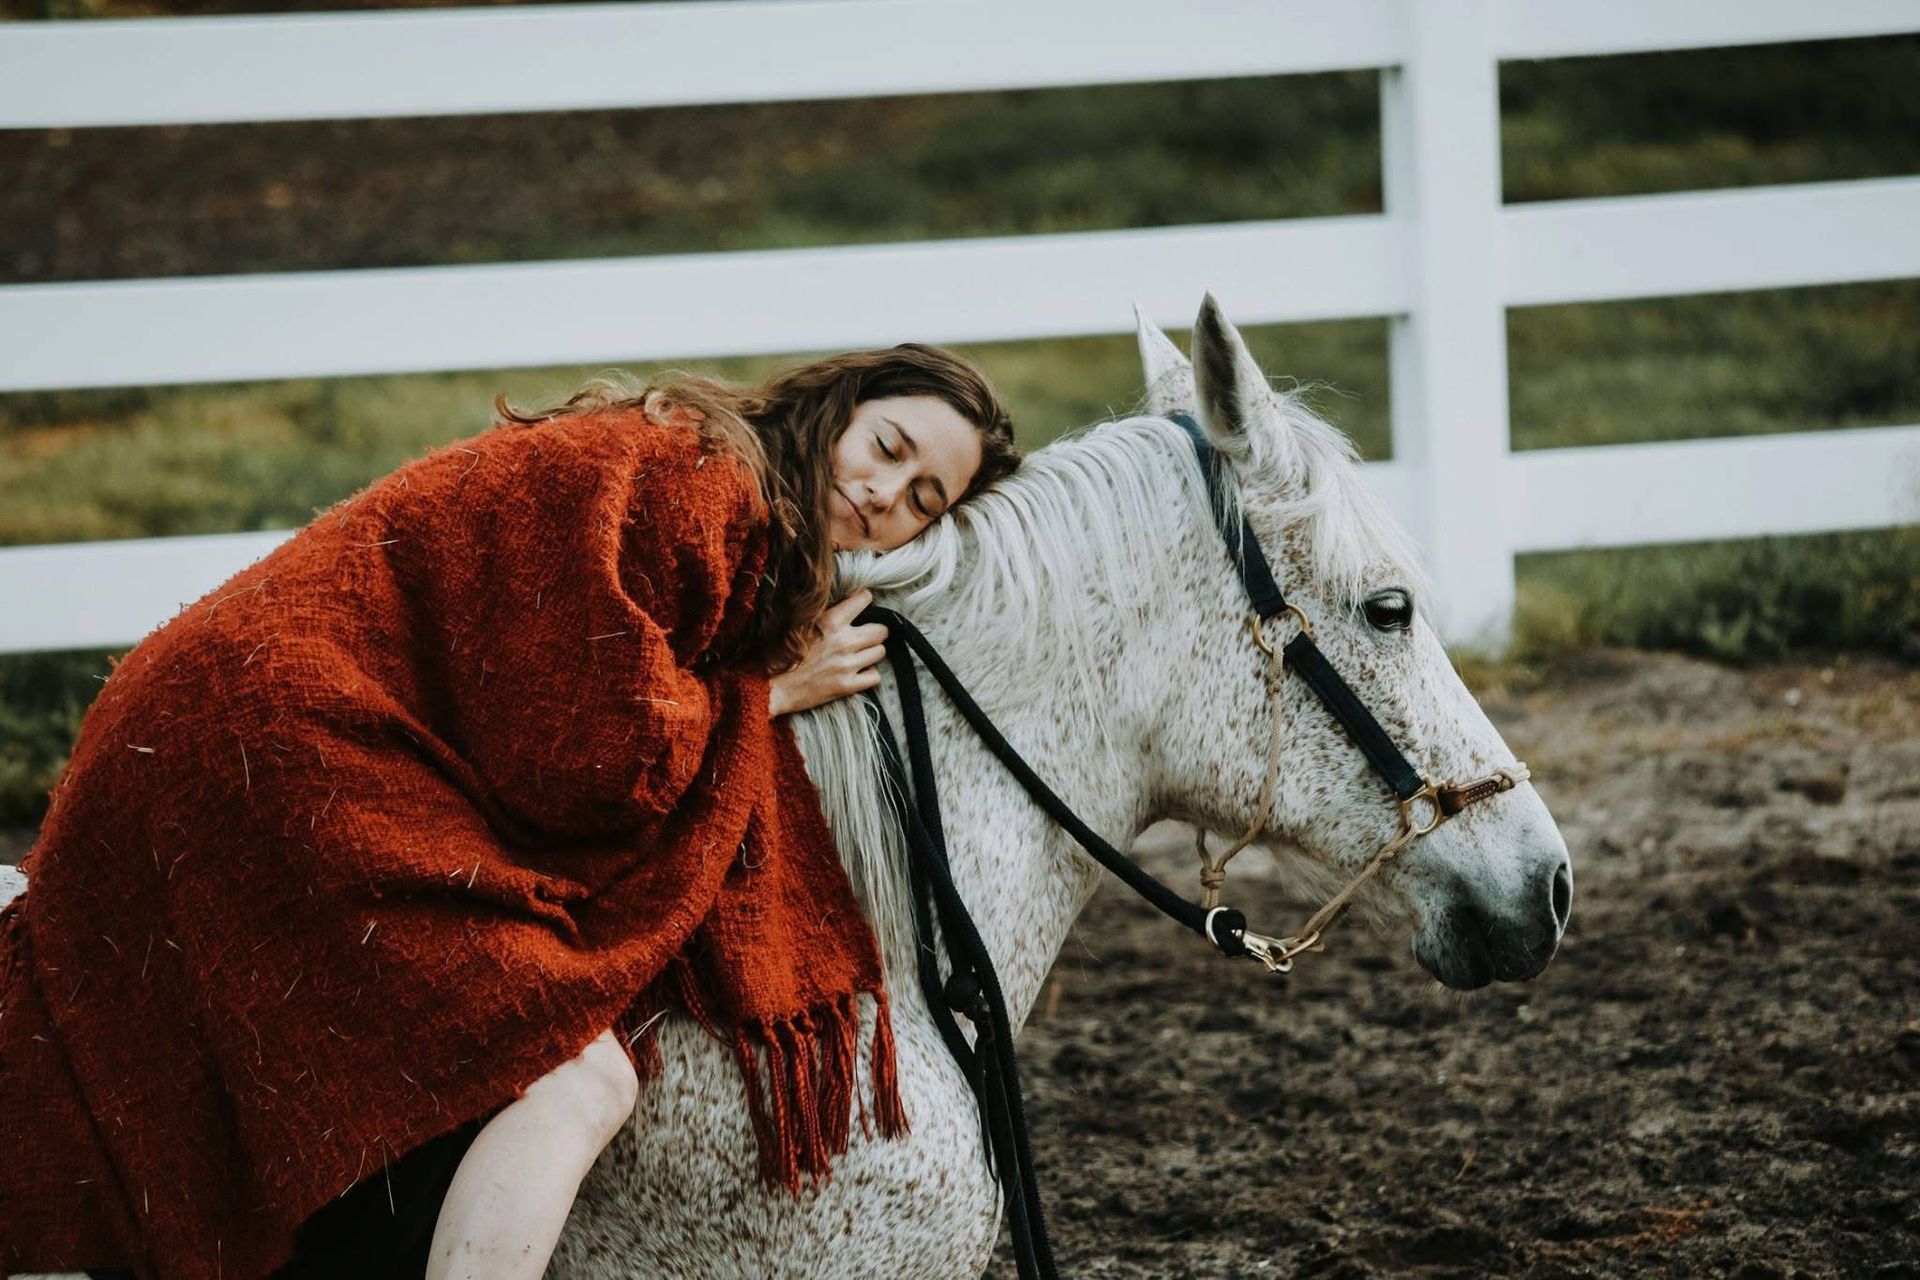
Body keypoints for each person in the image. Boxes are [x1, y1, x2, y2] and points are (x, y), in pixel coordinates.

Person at [0, 344, 1018, 1279]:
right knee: (579, 1073)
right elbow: (586, 750)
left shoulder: (720, 487)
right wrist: (769, 695)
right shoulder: (702, 481)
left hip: (250, 722)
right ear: (837, 404)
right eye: (887, 446)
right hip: (280, 743)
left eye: (924, 498)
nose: (886, 492)